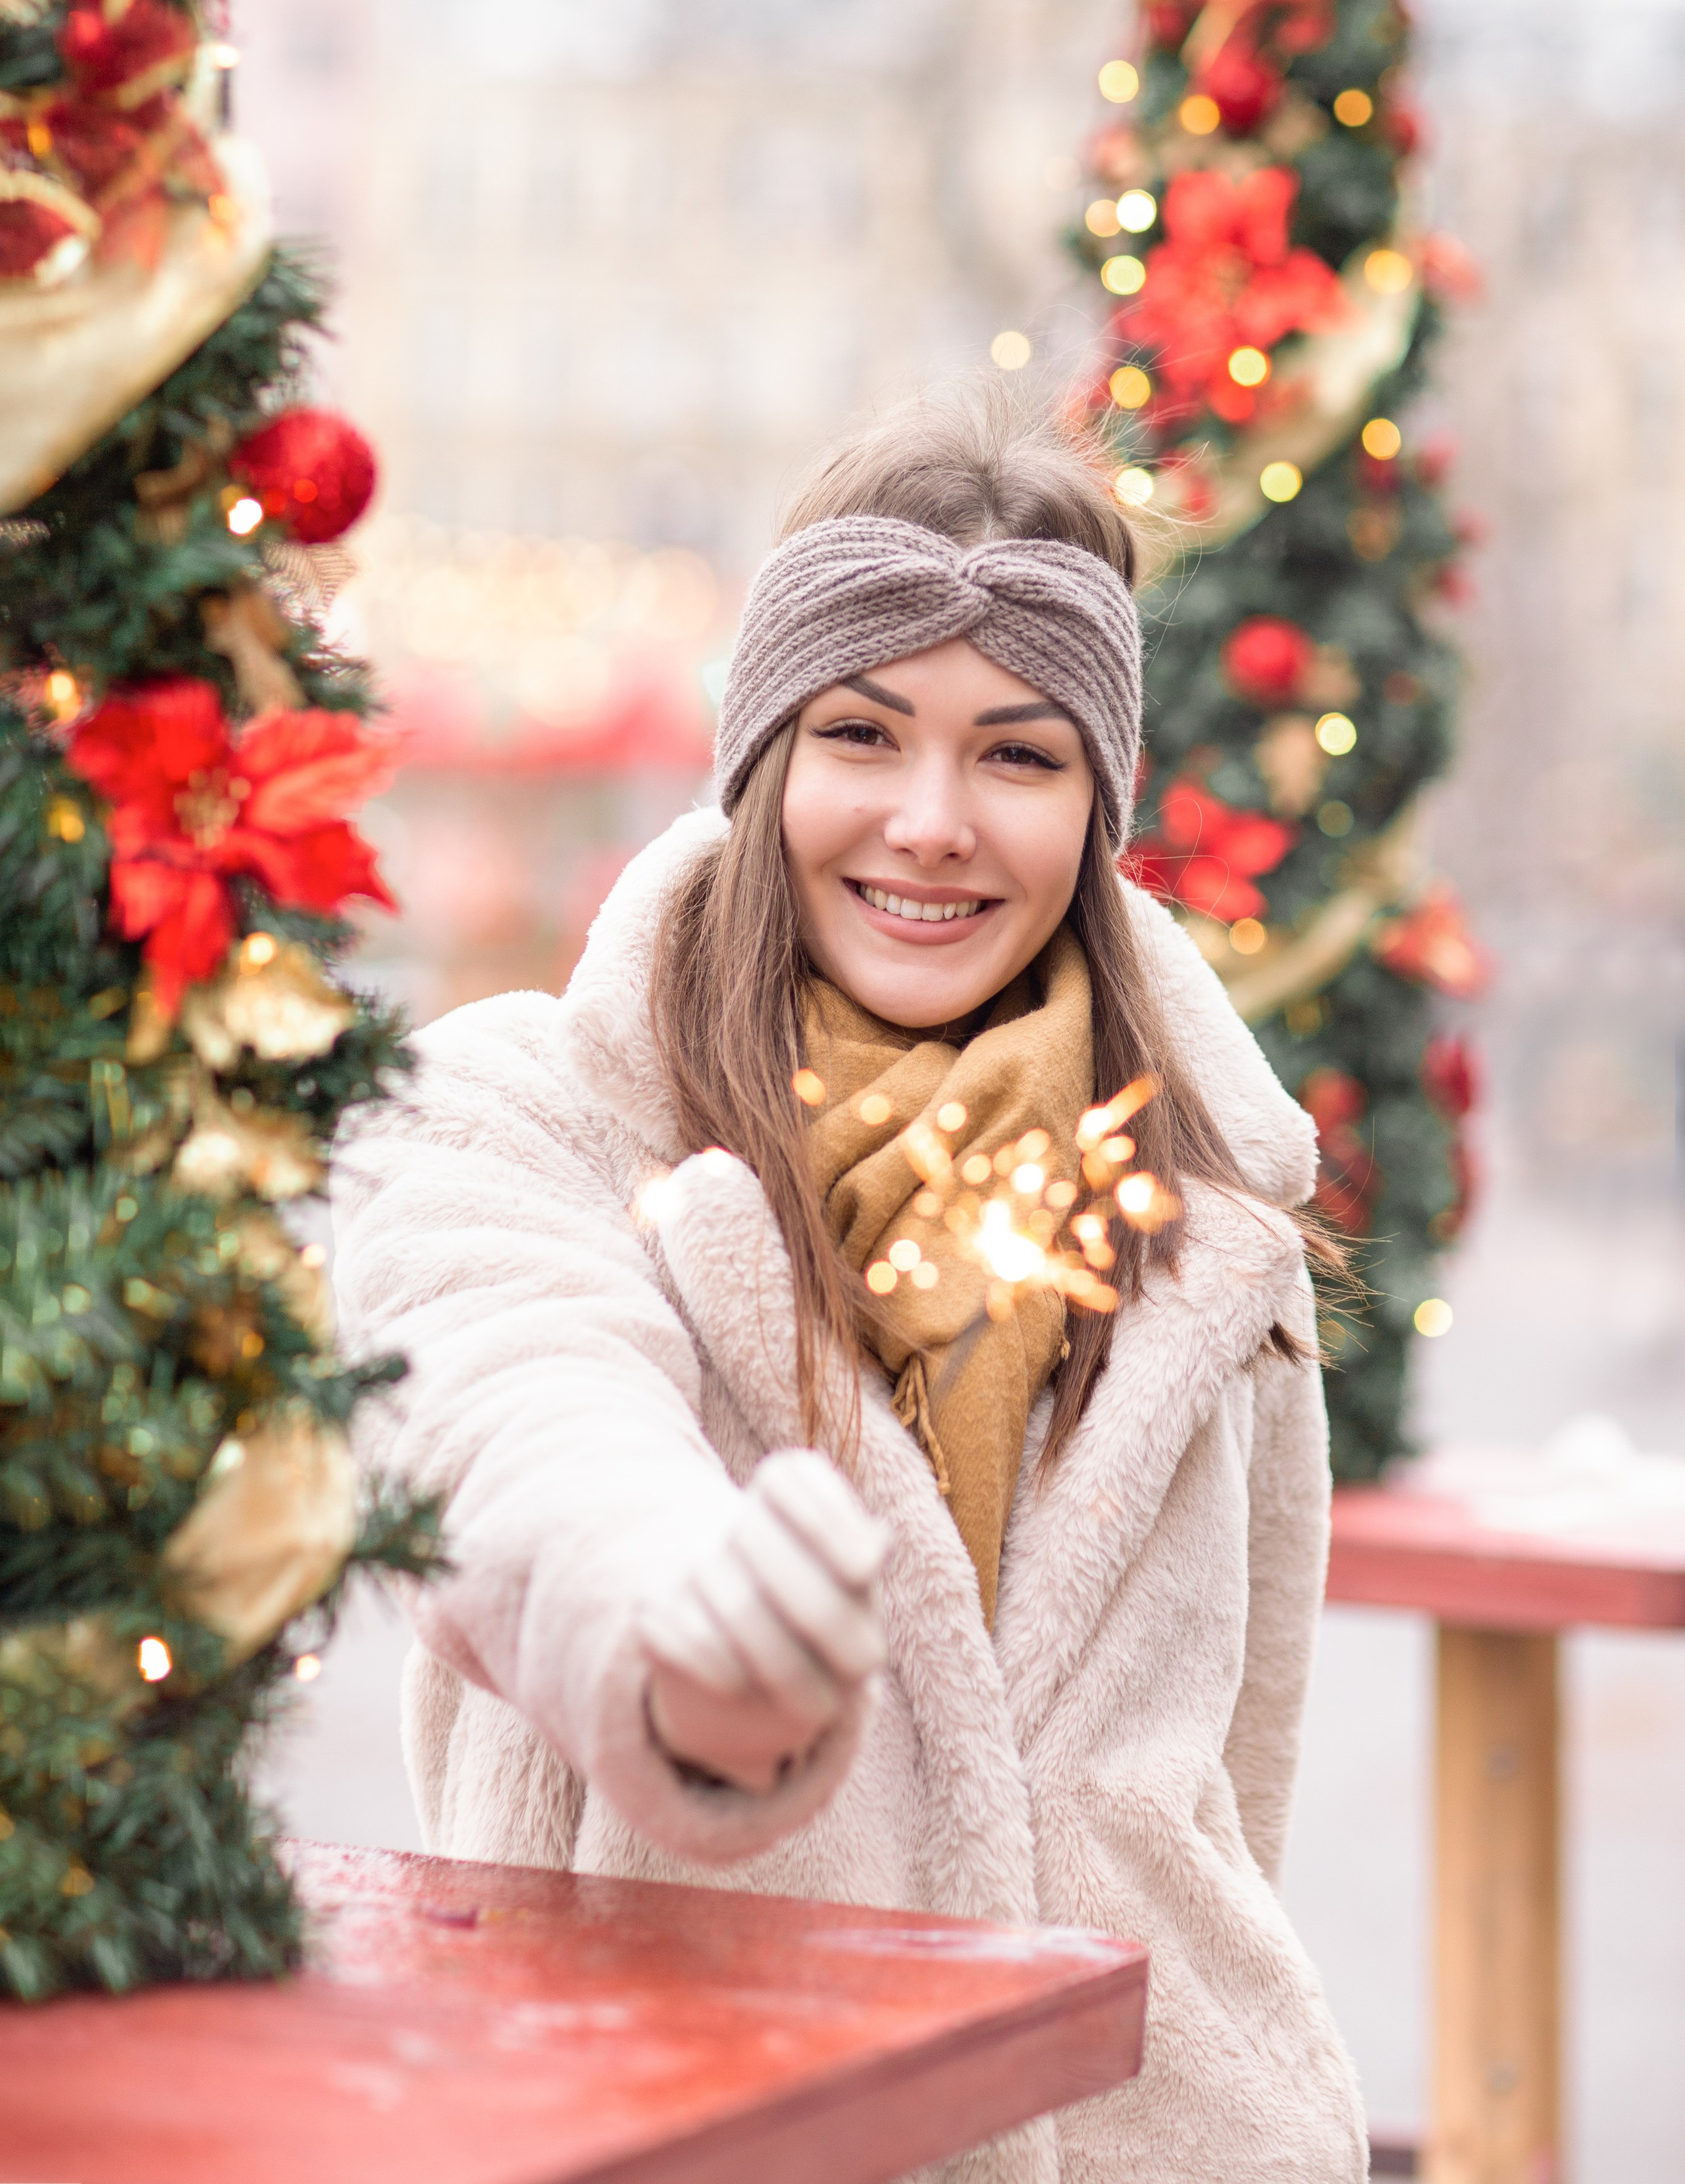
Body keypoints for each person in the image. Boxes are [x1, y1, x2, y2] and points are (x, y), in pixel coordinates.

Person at [333, 380, 1367, 2183]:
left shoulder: (1208, 1211)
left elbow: (1236, 1782)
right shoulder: (536, 1111)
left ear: (1098, 807)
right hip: (692, 2124)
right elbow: (507, 1419)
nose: (934, 819)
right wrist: (676, 1617)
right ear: (764, 763)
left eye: (1022, 755)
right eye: (865, 735)